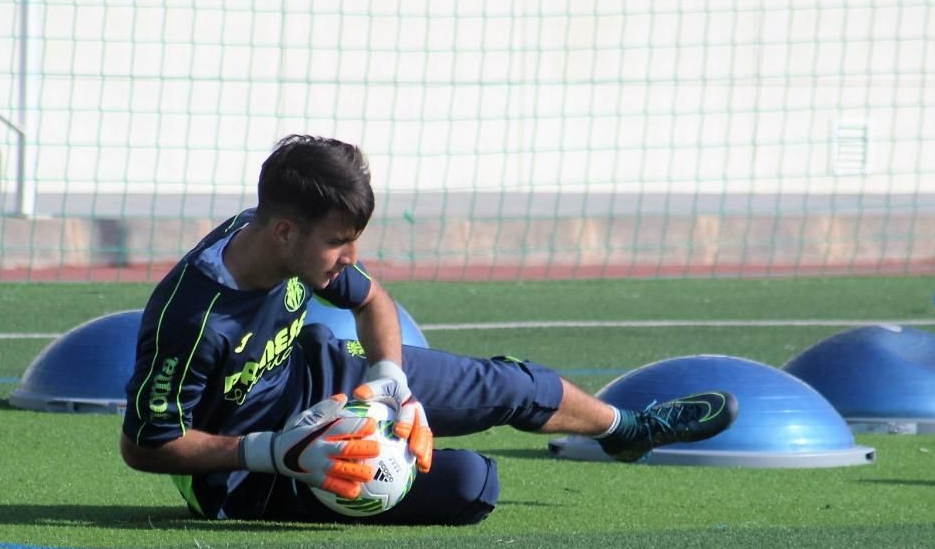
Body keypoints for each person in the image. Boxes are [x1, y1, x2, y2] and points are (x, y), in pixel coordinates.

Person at [120, 134, 738, 525]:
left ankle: (626, 431)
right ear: (285, 231)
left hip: (323, 375)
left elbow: (375, 304)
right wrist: (279, 452)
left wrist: (388, 381)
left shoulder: (289, 244)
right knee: (473, 486)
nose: (351, 259)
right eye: (340, 243)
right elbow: (145, 445)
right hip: (252, 467)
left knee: (513, 385)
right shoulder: (189, 317)